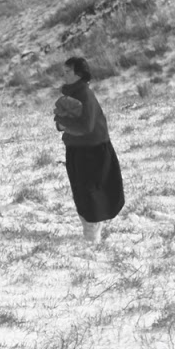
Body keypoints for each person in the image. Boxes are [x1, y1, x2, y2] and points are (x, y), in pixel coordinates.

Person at [53, 56, 125, 243]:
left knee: (91, 193)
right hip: (77, 150)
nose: (64, 75)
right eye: (64, 71)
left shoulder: (85, 94)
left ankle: (92, 237)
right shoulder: (72, 93)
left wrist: (64, 124)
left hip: (93, 152)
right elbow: (64, 120)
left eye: (68, 71)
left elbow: (86, 126)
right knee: (82, 192)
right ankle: (91, 232)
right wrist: (61, 123)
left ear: (79, 73)